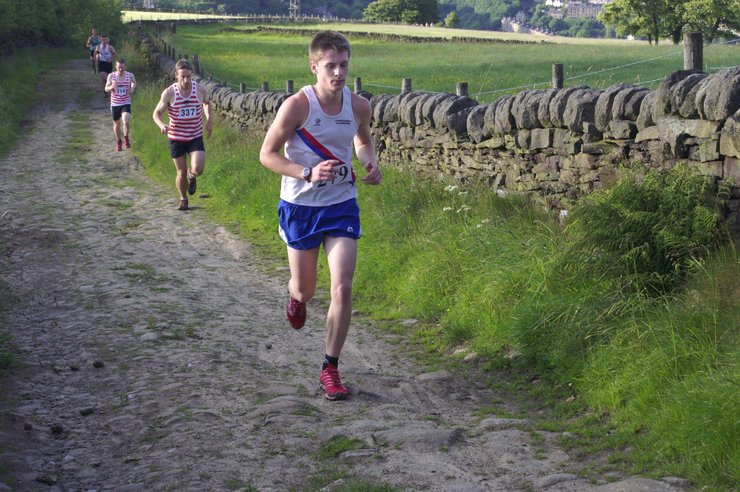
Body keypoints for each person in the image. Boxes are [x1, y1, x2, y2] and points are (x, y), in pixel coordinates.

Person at [259, 30, 382, 401]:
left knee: (342, 285)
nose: (339, 73)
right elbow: (267, 154)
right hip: (300, 206)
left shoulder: (358, 106)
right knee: (306, 289)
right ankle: (296, 297)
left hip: (341, 203)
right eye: (331, 66)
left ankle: (330, 367)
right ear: (314, 67)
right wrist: (307, 172)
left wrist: (369, 162)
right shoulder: (297, 106)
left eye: (344, 65)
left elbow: (363, 140)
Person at [152, 59, 212, 211]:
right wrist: (161, 125)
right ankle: (183, 199)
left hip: (195, 136)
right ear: (176, 76)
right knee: (181, 172)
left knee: (198, 168)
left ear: (192, 75)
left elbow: (206, 103)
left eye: (188, 77)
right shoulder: (169, 93)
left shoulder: (200, 90)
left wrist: (209, 120)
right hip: (176, 138)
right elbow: (156, 113)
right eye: (182, 77)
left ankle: (192, 177)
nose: (186, 80)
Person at [105, 59, 136, 152]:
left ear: (125, 66)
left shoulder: (129, 75)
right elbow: (106, 88)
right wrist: (111, 87)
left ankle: (126, 137)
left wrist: (132, 88)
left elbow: (134, 82)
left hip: (126, 102)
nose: (121, 69)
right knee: (116, 124)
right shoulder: (111, 76)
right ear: (116, 67)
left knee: (125, 120)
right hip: (115, 103)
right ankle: (119, 141)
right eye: (119, 67)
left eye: (122, 67)